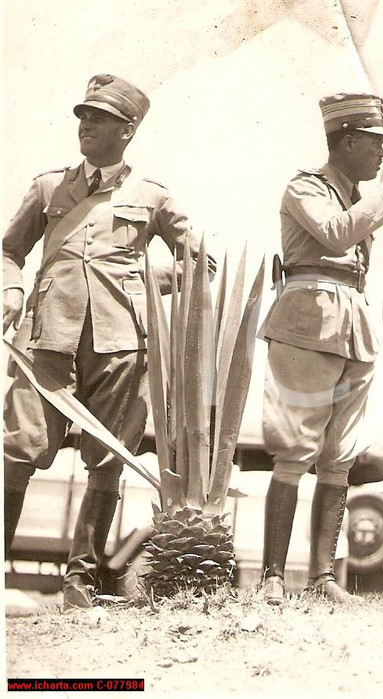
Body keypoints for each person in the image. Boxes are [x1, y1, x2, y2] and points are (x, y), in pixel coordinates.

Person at [3, 74, 214, 610]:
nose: (85, 125)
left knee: (107, 460)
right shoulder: (50, 186)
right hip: (45, 337)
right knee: (17, 449)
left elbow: (202, 262)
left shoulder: (153, 195)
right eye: (82, 116)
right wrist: (10, 289)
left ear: (128, 129)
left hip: (120, 344)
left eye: (98, 118)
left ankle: (80, 582)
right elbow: (8, 250)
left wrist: (142, 283)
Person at [258, 93, 383, 605]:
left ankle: (322, 578)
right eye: (375, 143)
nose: (382, 155)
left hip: (352, 323)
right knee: (295, 449)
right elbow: (336, 236)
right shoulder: (307, 186)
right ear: (346, 140)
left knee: (340, 455)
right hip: (307, 320)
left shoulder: (351, 194)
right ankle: (273, 577)